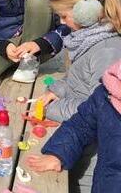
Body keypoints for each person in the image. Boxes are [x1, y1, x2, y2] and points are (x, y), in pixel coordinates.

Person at [36, 0, 121, 192]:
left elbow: (94, 109)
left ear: (86, 11)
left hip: (94, 165)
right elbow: (78, 80)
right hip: (79, 149)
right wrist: (56, 90)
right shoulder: (89, 41)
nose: (62, 23)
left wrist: (52, 108)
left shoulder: (107, 52)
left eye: (64, 16)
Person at [26, 59, 121, 193]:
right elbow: (82, 123)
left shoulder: (106, 51)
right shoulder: (110, 89)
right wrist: (58, 153)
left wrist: (52, 108)